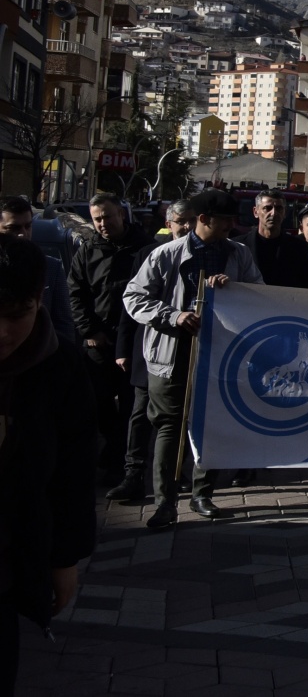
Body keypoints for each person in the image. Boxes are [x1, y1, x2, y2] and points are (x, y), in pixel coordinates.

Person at [122, 188, 264, 529]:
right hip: (171, 354)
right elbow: (134, 297)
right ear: (203, 219)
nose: (231, 226)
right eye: (225, 220)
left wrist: (234, 290)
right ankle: (165, 502)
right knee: (169, 426)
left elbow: (259, 293)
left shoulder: (238, 254)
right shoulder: (166, 254)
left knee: (210, 423)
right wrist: (174, 316)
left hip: (219, 354)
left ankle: (203, 493)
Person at [0, 235, 95, 695]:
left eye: (16, 314)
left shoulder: (61, 366)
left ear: (39, 299)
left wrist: (63, 558)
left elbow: (73, 472)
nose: (2, 332)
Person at [107, 200, 197, 504]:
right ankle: (133, 474)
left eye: (191, 220)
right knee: (139, 414)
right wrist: (122, 349)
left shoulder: (202, 256)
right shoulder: (150, 253)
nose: (187, 227)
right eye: (181, 221)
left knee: (178, 415)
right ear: (169, 224)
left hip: (183, 351)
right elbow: (130, 304)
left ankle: (176, 473)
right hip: (147, 348)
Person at [68, 193, 154, 484]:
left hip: (134, 340)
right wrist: (90, 331)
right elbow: (75, 293)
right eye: (97, 219)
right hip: (98, 342)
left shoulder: (145, 248)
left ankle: (122, 462)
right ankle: (111, 449)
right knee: (98, 403)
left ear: (121, 214)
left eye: (107, 217)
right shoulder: (87, 250)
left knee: (132, 407)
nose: (103, 223)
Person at [0, 197, 79, 352]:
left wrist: (62, 359)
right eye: (13, 228)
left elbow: (63, 323)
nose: (22, 234)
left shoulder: (51, 267)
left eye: (27, 226)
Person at [248, 192, 308, 290]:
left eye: (279, 208)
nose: (274, 213)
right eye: (267, 208)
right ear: (255, 212)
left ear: (285, 213)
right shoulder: (240, 246)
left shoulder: (299, 247)